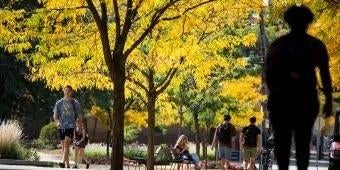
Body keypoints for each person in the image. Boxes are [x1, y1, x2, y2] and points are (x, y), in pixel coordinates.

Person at [265, 5, 333, 170]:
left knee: (283, 144)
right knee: (303, 143)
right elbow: (325, 75)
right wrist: (328, 101)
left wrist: (274, 96)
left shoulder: (278, 45)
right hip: (306, 100)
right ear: (308, 22)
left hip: (281, 101)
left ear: (288, 21)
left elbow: (269, 76)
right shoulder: (316, 45)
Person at [53, 85, 82, 168]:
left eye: (68, 90)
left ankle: (62, 162)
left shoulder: (75, 103)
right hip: (61, 126)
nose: (67, 92)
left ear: (71, 92)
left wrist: (79, 127)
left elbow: (79, 116)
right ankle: (68, 164)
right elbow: (55, 115)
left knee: (66, 144)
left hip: (70, 126)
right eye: (65, 90)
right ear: (63, 91)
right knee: (64, 147)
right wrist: (57, 122)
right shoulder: (59, 103)